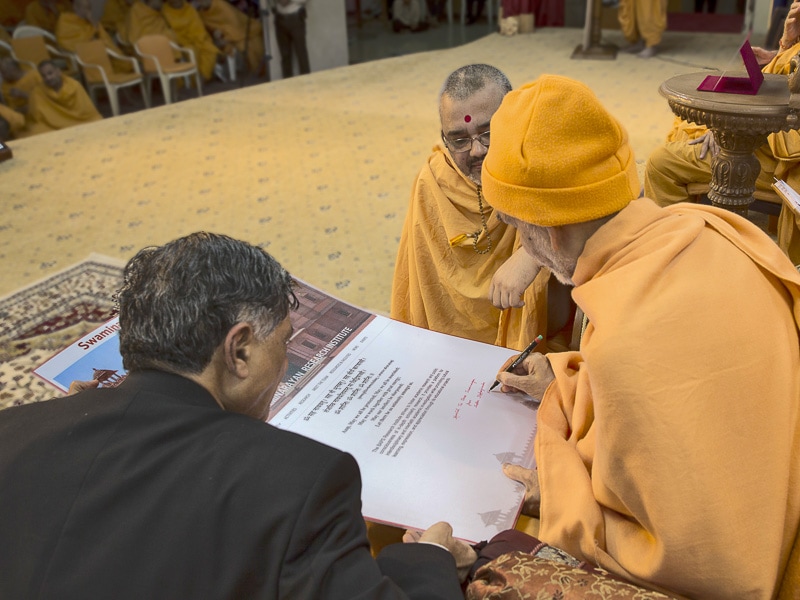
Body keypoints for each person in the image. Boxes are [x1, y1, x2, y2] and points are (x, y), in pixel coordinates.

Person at [0, 231, 475, 599]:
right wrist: (428, 561)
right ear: (240, 350)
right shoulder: (302, 481)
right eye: (284, 342)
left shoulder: (12, 429)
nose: (285, 362)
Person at [479, 73, 800, 598]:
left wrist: (557, 494)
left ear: (550, 232)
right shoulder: (706, 227)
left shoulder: (625, 342)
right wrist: (566, 383)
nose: (523, 245)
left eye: (519, 228)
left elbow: (704, 562)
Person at [391, 64, 574, 353]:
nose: (477, 150)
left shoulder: (544, 159)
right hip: (455, 350)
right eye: (460, 140)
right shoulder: (435, 181)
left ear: (514, 119)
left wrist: (534, 253)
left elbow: (607, 211)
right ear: (445, 139)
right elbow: (422, 286)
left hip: (539, 340)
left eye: (488, 132)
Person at [644, 1, 800, 266]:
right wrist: (784, 47)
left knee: (662, 163)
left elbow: (789, 114)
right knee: (687, 127)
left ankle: (674, 261)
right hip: (766, 135)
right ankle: (690, 240)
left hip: (777, 158)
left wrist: (727, 126)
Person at [26, 59, 102, 135]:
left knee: (97, 121)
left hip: (78, 121)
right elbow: (37, 117)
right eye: (44, 76)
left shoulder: (74, 86)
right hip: (52, 126)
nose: (48, 78)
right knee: (36, 131)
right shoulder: (38, 92)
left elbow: (87, 111)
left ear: (58, 71)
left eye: (50, 73)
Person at [56, 0, 133, 72]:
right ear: (75, 7)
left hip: (98, 51)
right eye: (84, 8)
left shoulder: (88, 21)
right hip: (79, 57)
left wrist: (92, 22)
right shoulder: (66, 21)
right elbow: (68, 42)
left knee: (121, 62)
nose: (87, 11)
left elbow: (102, 37)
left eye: (88, 8)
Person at [194, 0, 264, 75]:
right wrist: (216, 34)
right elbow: (207, 30)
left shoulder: (220, 5)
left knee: (244, 45)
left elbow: (235, 24)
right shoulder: (201, 14)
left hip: (242, 30)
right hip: (220, 38)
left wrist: (226, 37)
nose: (201, 2)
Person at [161, 0, 220, 81]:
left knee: (210, 49)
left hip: (196, 38)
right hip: (180, 42)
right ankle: (194, 80)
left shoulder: (189, 8)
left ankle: (203, 76)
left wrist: (197, 39)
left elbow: (198, 27)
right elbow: (168, 30)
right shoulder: (164, 11)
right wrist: (180, 41)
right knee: (192, 50)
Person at [273, 0, 310, 78]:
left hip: (296, 18)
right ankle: (287, 83)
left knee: (301, 55)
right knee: (285, 57)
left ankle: (307, 83)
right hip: (279, 18)